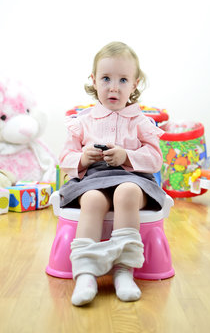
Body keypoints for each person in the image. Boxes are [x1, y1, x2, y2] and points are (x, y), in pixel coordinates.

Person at [59, 41, 166, 306]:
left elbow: (155, 159)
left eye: (122, 79)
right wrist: (83, 157)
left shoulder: (140, 121)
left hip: (133, 179)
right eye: (106, 78)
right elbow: (64, 159)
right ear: (94, 81)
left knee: (126, 192)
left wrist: (127, 156)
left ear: (135, 84)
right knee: (94, 200)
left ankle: (124, 270)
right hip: (93, 179)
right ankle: (85, 272)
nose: (114, 87)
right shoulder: (83, 121)